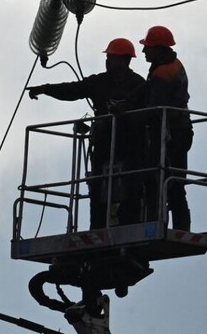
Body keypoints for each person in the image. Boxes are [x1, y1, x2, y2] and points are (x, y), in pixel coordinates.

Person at [27, 38, 145, 228]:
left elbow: (146, 107)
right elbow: (73, 90)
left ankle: (128, 224)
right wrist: (45, 89)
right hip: (103, 142)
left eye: (111, 58)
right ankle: (97, 227)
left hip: (129, 143)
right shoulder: (100, 82)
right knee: (98, 186)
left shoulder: (138, 85)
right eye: (107, 58)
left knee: (130, 185)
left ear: (125, 60)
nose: (107, 61)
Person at [138, 25, 193, 231]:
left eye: (148, 47)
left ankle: (154, 223)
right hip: (180, 130)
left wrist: (132, 118)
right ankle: (181, 228)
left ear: (159, 49)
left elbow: (154, 107)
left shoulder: (163, 73)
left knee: (155, 179)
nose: (144, 51)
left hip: (169, 135)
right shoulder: (174, 65)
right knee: (175, 182)